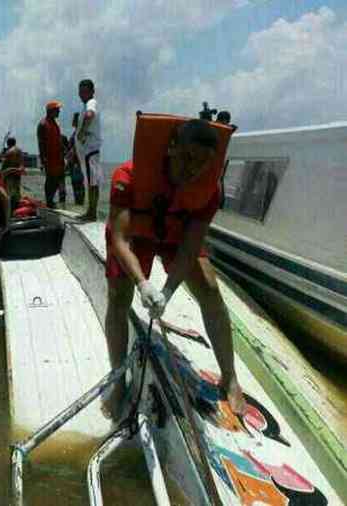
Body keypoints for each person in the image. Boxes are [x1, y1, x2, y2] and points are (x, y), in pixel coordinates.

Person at [104, 115, 245, 421]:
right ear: (170, 147)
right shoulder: (127, 177)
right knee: (118, 297)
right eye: (187, 157)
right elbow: (119, 239)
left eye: (202, 163)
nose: (193, 168)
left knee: (209, 288)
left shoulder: (208, 192)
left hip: (174, 233)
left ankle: (229, 376)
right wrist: (143, 285)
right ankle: (118, 379)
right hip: (135, 234)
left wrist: (167, 291)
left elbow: (191, 246)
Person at [75, 79, 103, 221]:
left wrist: (82, 132)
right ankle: (91, 211)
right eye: (80, 91)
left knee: (93, 183)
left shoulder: (91, 103)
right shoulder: (86, 105)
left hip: (89, 150)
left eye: (84, 91)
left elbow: (89, 115)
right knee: (92, 182)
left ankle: (91, 213)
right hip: (88, 151)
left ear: (92, 92)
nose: (81, 94)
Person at [37, 100, 66, 209]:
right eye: (57, 110)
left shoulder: (55, 124)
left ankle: (52, 201)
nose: (59, 111)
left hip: (58, 158)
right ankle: (49, 201)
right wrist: (43, 159)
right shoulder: (43, 124)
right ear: (50, 111)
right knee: (50, 180)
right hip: (49, 158)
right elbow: (41, 143)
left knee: (57, 181)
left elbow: (58, 141)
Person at [0, 137, 25, 211]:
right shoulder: (19, 151)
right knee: (16, 195)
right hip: (16, 175)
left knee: (9, 195)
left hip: (9, 176)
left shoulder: (9, 152)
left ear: (8, 143)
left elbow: (4, 163)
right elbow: (21, 164)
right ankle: (16, 210)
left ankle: (11, 211)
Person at [66, 113, 85, 205]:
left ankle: (79, 204)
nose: (72, 121)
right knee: (77, 185)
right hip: (75, 163)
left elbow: (78, 149)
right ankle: (79, 204)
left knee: (78, 185)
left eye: (74, 119)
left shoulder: (79, 133)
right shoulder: (77, 133)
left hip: (77, 163)